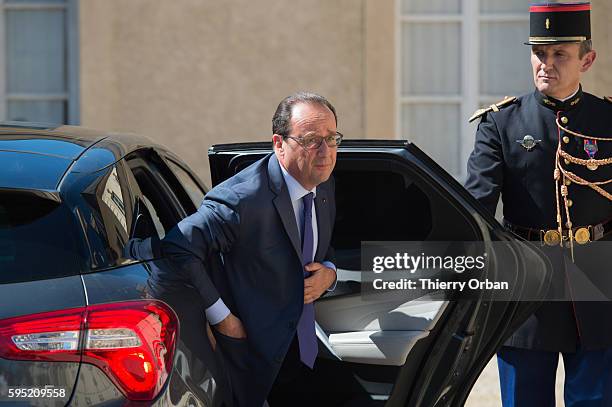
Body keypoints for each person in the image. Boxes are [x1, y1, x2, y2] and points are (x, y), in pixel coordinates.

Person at [141, 91, 349, 406]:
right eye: (310, 140)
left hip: (302, 350)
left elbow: (318, 245)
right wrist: (222, 318)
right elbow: (177, 249)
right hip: (251, 358)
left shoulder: (323, 183)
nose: (325, 151)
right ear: (279, 144)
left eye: (331, 138)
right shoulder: (242, 200)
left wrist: (329, 276)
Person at [465, 2, 612, 406]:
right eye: (539, 53)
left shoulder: (607, 119)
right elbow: (476, 209)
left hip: (600, 286)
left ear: (587, 59)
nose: (546, 64)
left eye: (559, 54)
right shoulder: (501, 124)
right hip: (526, 290)